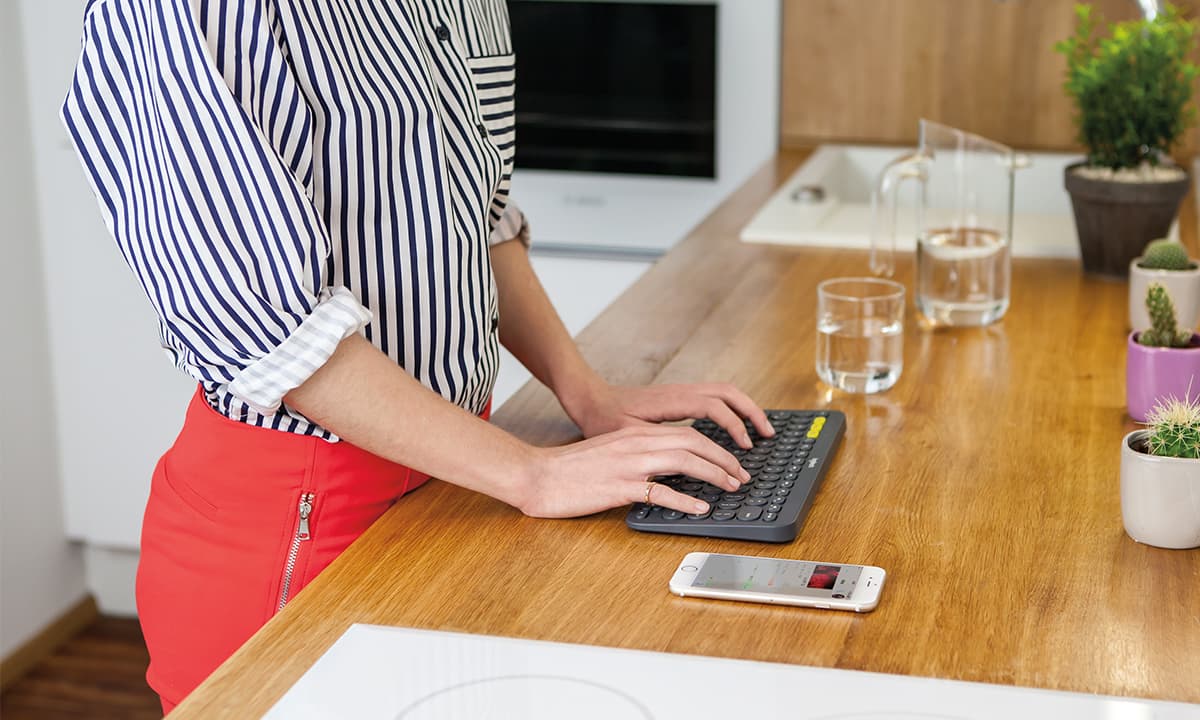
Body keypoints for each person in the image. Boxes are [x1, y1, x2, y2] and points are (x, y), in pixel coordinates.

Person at [62, 0, 773, 712]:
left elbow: (480, 218)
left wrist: (586, 393)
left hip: (462, 476)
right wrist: (531, 472)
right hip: (300, 512)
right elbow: (270, 324)